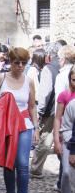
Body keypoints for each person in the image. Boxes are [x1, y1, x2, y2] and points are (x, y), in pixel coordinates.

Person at [0, 47, 39, 193]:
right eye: (17, 63)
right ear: (11, 62)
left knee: (23, 164)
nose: (21, 66)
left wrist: (36, 128)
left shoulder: (29, 81)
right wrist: (0, 99)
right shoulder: (0, 78)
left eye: (24, 63)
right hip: (5, 125)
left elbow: (32, 106)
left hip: (24, 124)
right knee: (9, 163)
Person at [30, 42, 63, 178]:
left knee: (45, 139)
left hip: (51, 111)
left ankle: (36, 169)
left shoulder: (48, 69)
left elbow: (45, 93)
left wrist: (40, 112)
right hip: (61, 109)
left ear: (49, 55)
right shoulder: (64, 67)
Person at [50, 65, 75, 193]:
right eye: (73, 79)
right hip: (67, 139)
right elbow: (58, 118)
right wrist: (56, 140)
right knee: (66, 173)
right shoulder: (65, 96)